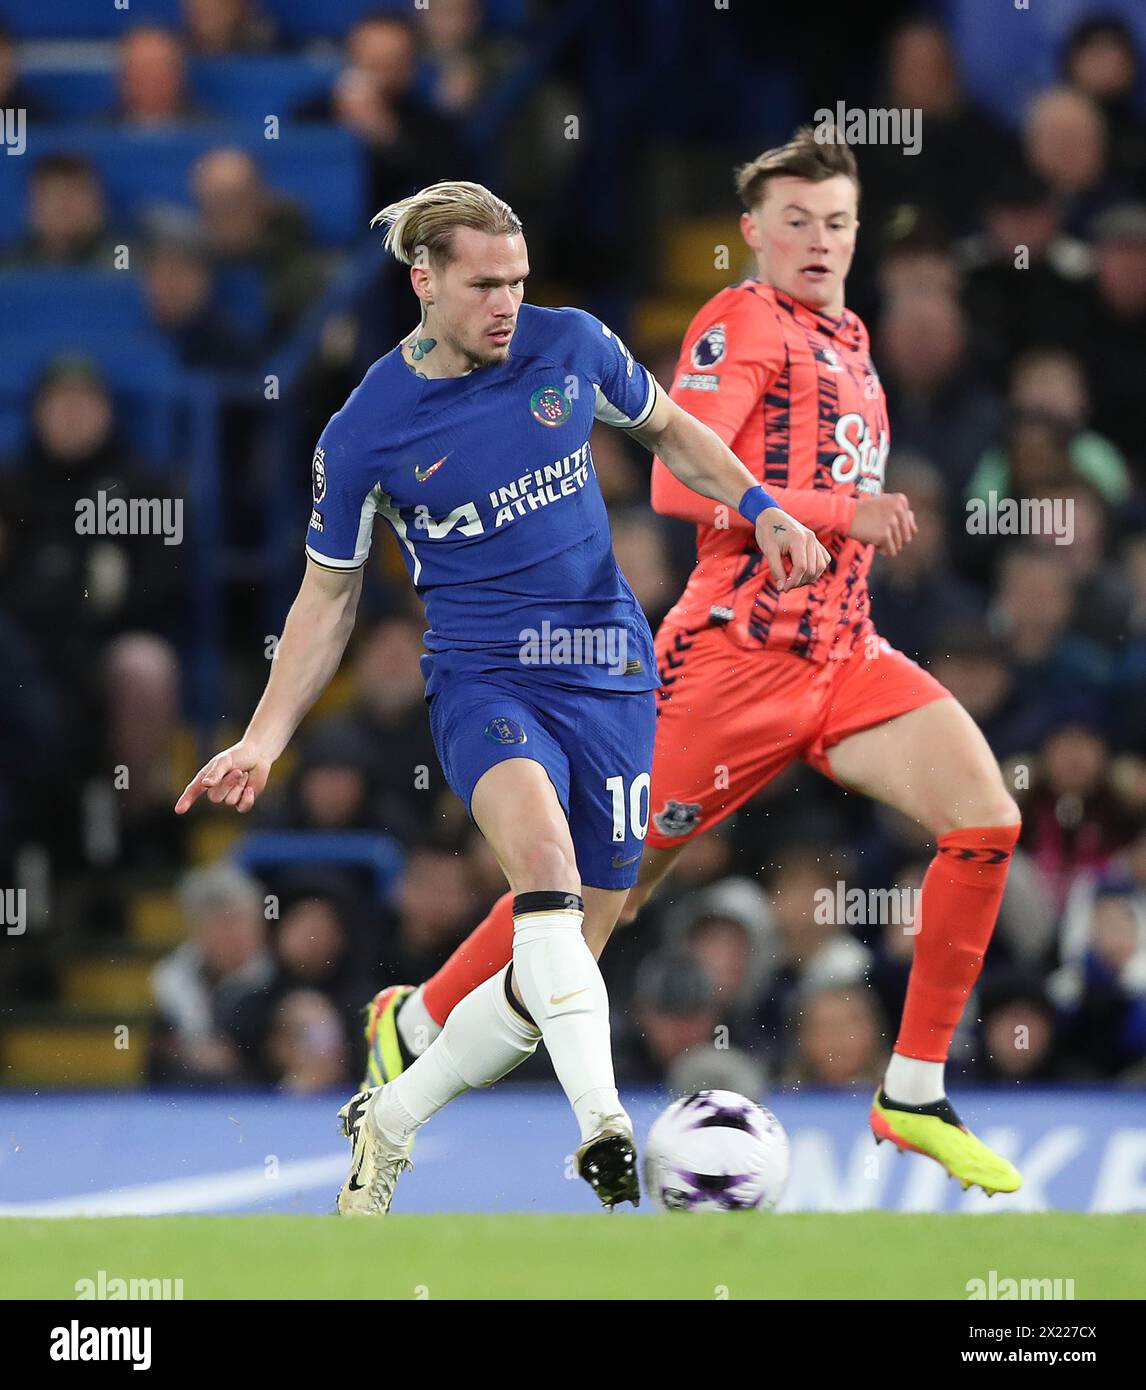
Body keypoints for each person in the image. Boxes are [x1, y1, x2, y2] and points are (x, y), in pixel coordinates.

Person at [360, 129, 1026, 1200]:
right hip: (731, 664)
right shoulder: (742, 321)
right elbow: (676, 489)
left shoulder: (851, 335)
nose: (818, 240)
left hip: (846, 652)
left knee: (987, 822)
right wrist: (832, 509)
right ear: (753, 233)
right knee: (588, 897)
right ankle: (421, 1015)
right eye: (795, 221)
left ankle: (912, 1088)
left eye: (838, 221)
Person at [174, 179, 828, 1214]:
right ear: (423, 280)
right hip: (486, 677)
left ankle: (390, 1116)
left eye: (517, 282)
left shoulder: (569, 346)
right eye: (484, 284)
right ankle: (605, 1129)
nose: (506, 305)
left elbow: (670, 431)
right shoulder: (364, 434)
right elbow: (327, 596)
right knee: (547, 874)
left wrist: (763, 506)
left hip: (612, 676)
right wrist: (264, 735)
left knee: (557, 955)